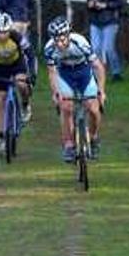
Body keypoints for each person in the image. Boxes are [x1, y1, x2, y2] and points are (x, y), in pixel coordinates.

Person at [44, 17, 107, 161]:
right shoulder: (49, 48)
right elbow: (52, 73)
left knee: (93, 108)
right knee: (66, 107)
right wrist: (56, 92)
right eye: (56, 40)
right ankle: (69, 145)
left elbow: (98, 67)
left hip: (83, 72)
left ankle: (93, 137)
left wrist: (101, 91)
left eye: (62, 39)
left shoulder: (80, 42)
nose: (59, 44)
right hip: (64, 74)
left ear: (68, 35)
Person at [0, 12, 32, 153]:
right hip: (0, 68)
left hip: (17, 64)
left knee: (21, 84)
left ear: (10, 30)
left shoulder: (17, 37)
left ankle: (25, 104)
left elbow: (30, 54)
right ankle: (1, 136)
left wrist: (31, 74)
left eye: (5, 32)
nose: (2, 35)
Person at [85, 0, 126, 82]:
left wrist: (105, 5)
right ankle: (98, 72)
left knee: (108, 49)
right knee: (95, 48)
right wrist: (90, 4)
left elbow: (121, 2)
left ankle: (116, 73)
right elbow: (87, 3)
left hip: (110, 21)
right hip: (95, 22)